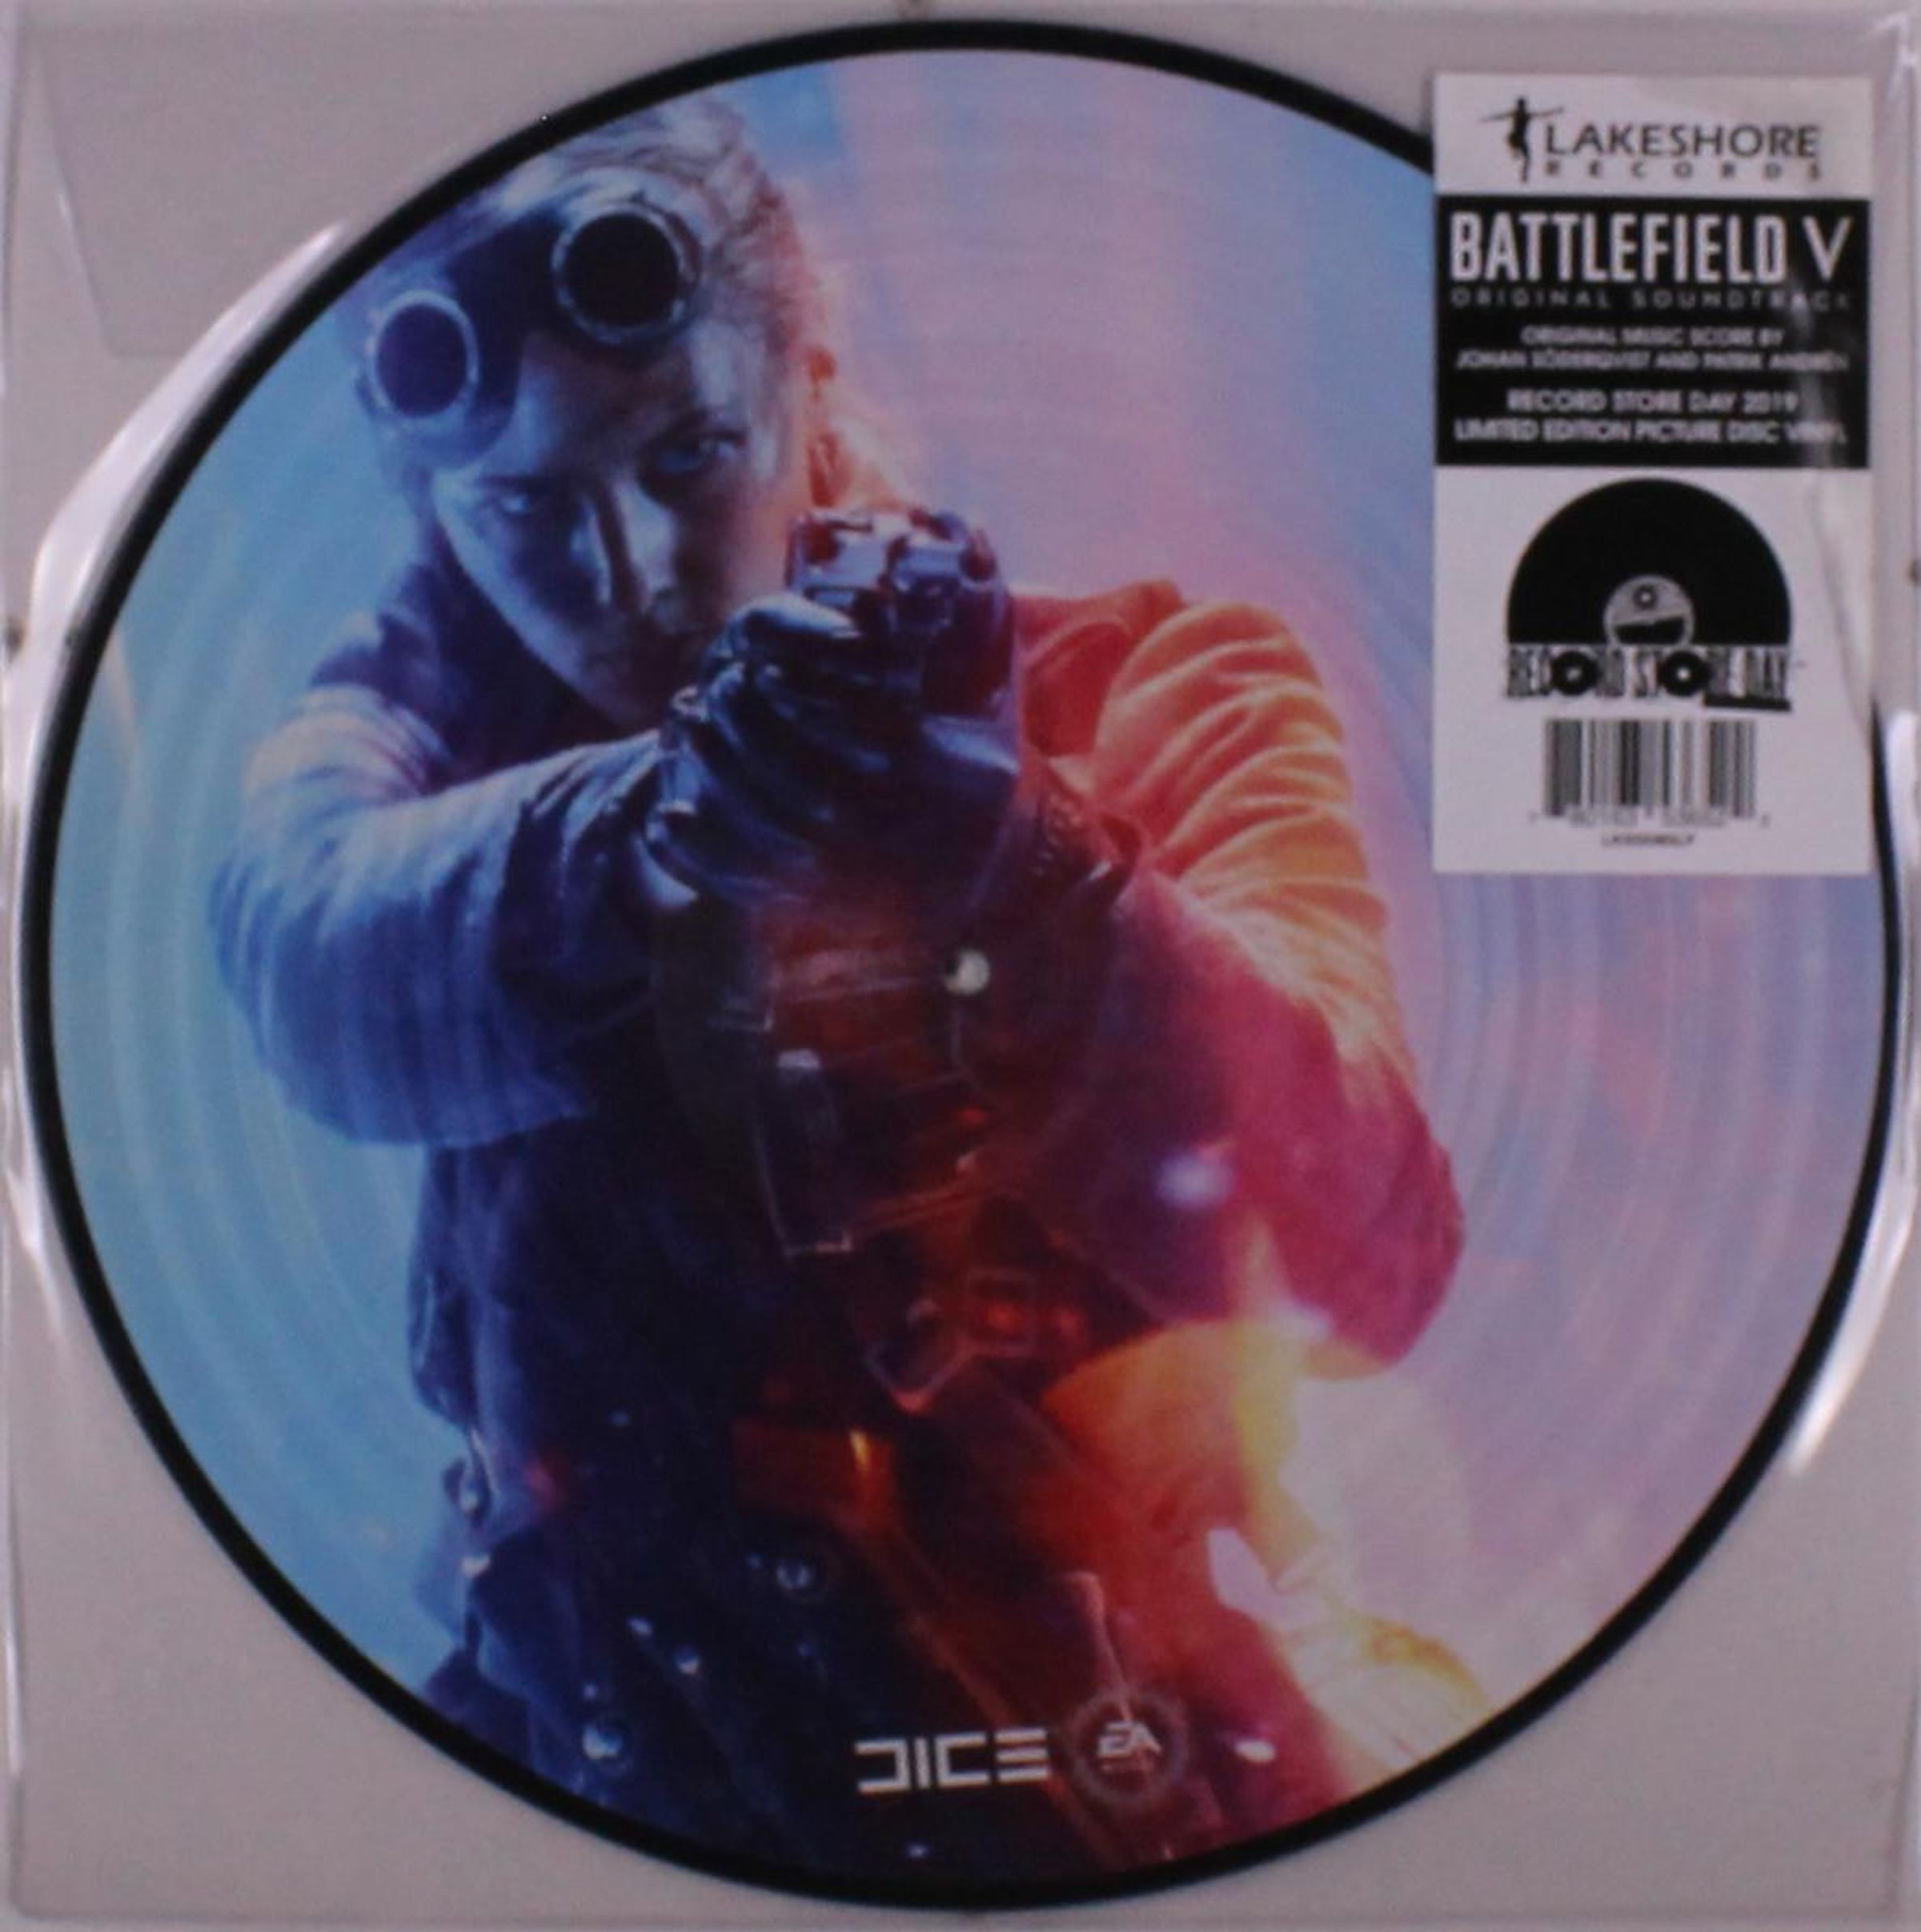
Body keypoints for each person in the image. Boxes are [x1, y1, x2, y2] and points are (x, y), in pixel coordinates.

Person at [212, 94, 1477, 1885]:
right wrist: (650, 830)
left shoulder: (1151, 686)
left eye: (686, 454)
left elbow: (1367, 1246)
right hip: (585, 1782)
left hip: (1105, 1792)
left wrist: (1027, 878)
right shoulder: (439, 746)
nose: (629, 574)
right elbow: (302, 955)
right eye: (525, 508)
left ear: (806, 390)